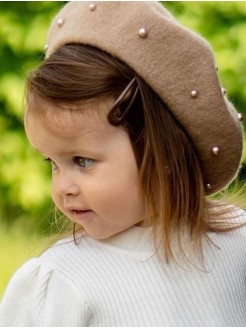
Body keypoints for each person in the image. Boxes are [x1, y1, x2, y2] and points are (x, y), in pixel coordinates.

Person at [0, 2, 245, 326]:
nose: (61, 187)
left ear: (161, 154)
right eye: (53, 163)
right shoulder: (62, 281)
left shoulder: (236, 245)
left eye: (83, 161)